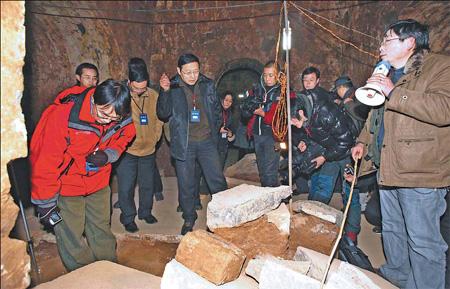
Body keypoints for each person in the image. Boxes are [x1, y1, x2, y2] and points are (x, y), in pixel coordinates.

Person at [352, 19, 450, 289]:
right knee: (393, 228)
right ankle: (397, 276)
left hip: (420, 171)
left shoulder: (440, 66)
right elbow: (376, 115)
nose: (381, 46)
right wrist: (363, 142)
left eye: (388, 40)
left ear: (409, 42)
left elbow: (444, 109)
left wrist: (394, 92)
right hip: (389, 166)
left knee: (422, 240)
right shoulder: (388, 74)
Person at [30, 79, 136, 271]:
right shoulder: (64, 116)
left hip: (99, 180)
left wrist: (109, 154)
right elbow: (45, 160)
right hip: (68, 183)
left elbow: (127, 133)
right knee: (71, 231)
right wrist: (45, 202)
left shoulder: (120, 114)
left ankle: (108, 269)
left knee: (101, 226)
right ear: (94, 100)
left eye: (115, 118)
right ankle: (83, 273)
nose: (108, 120)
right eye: (104, 113)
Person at [158, 53, 228, 235]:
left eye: (195, 71)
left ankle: (225, 215)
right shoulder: (171, 87)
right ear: (179, 71)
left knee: (217, 180)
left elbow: (216, 110)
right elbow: (163, 113)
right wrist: (164, 92)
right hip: (184, 143)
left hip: (206, 141)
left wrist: (216, 129)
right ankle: (189, 217)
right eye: (187, 72)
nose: (192, 76)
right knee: (186, 183)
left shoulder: (208, 84)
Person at [292, 66, 361, 243]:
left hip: (346, 153)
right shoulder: (308, 102)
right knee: (323, 187)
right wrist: (304, 129)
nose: (307, 84)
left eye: (311, 80)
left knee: (349, 192)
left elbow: (344, 141)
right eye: (305, 80)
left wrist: (324, 156)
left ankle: (351, 233)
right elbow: (319, 132)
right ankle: (312, 222)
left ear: (318, 81)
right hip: (330, 151)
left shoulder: (325, 108)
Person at [115, 58, 163, 233]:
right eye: (137, 88)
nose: (141, 91)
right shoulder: (122, 96)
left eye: (144, 87)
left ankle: (145, 212)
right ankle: (128, 217)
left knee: (147, 184)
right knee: (126, 186)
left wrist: (156, 137)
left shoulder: (154, 95)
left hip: (148, 149)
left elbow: (159, 119)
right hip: (128, 151)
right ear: (129, 83)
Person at [240, 60, 282, 187]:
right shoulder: (258, 89)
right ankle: (266, 196)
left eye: (271, 75)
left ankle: (272, 199)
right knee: (262, 171)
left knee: (270, 172)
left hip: (273, 136)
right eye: (265, 75)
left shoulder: (283, 92)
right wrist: (247, 108)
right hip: (258, 135)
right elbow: (245, 111)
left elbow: (282, 118)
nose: (267, 78)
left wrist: (263, 113)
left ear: (278, 75)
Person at [218, 91, 236, 169]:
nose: (227, 103)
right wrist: (218, 130)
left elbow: (233, 129)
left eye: (230, 101)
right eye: (226, 100)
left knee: (219, 168)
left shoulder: (230, 114)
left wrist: (230, 134)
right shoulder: (215, 111)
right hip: (212, 145)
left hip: (223, 145)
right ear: (221, 99)